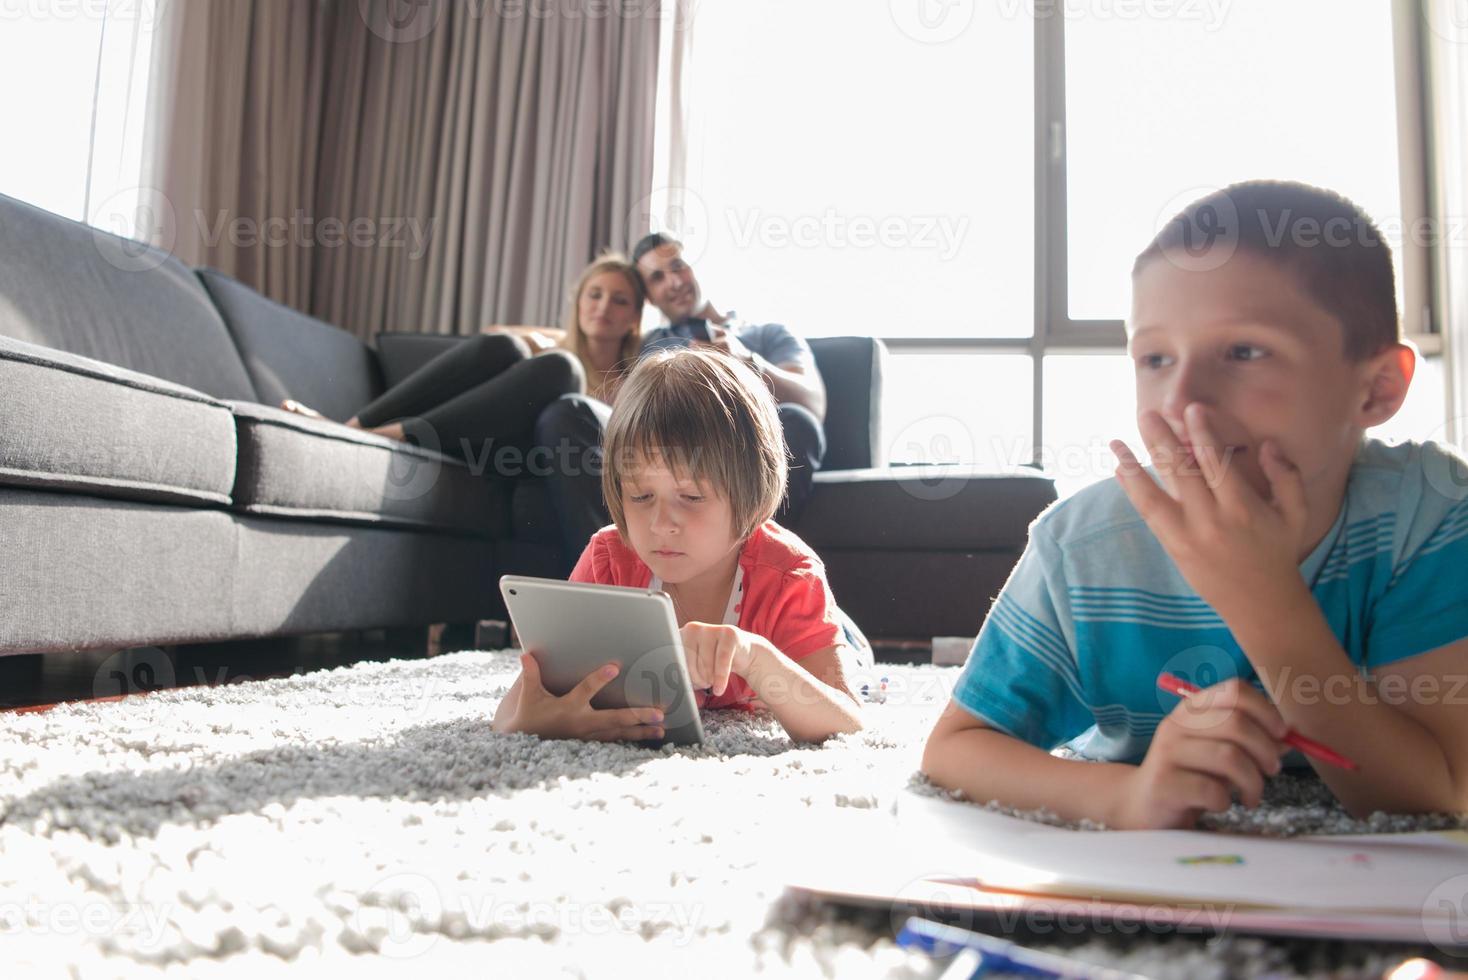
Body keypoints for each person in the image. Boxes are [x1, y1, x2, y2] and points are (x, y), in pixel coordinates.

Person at [922, 180, 1468, 829]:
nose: (1182, 399)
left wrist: (1263, 599)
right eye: (1155, 357)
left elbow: (1433, 794)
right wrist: (1127, 798)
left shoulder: (1427, 514)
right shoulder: (1086, 544)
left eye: (1244, 351)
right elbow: (956, 751)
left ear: (1375, 390)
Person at [493, 348, 865, 744]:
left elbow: (846, 722)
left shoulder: (791, 573)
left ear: (751, 494)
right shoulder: (608, 560)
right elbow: (513, 711)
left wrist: (754, 658)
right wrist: (543, 720)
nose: (661, 525)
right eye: (640, 497)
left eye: (691, 497)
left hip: (817, 625)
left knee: (851, 652)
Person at [534, 233, 829, 571]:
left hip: (738, 458)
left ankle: (749, 571)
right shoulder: (644, 347)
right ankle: (619, 574)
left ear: (697, 266)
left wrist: (747, 361)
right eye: (657, 278)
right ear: (649, 298)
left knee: (798, 420)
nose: (673, 282)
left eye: (678, 266)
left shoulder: (765, 335)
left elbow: (812, 402)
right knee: (567, 414)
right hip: (663, 455)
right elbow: (589, 341)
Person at [281, 255, 644, 465]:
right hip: (471, 437)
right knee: (506, 347)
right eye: (594, 295)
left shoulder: (632, 383)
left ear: (634, 320)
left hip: (525, 458)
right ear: (578, 302)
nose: (602, 307)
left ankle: (377, 436)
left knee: (564, 370)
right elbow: (492, 335)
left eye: (619, 300)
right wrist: (547, 337)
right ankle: (354, 428)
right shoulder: (548, 347)